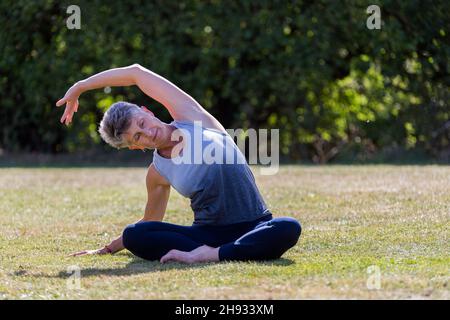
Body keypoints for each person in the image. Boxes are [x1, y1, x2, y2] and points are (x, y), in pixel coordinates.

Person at [56, 64, 301, 264]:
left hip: (255, 224)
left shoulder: (191, 117)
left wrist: (81, 86)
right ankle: (229, 251)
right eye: (137, 137)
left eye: (142, 124)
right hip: (207, 234)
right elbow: (150, 221)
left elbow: (136, 73)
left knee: (288, 227)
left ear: (147, 112)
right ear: (135, 147)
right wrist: (107, 249)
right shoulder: (158, 172)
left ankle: (213, 256)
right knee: (135, 234)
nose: (148, 133)